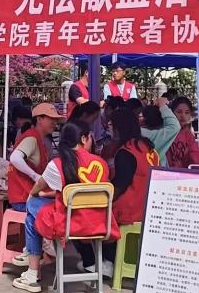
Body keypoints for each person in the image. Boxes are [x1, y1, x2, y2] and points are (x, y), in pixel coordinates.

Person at [12, 122, 114, 293]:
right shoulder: (101, 163)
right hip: (98, 224)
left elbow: (39, 186)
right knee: (36, 211)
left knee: (32, 208)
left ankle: (32, 270)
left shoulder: (58, 164)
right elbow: (79, 191)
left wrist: (34, 194)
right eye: (91, 137)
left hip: (69, 224)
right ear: (83, 139)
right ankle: (33, 260)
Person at [73, 104, 174, 277]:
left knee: (83, 213)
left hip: (131, 207)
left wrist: (99, 198)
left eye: (111, 124)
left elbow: (120, 186)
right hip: (149, 204)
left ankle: (102, 262)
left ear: (120, 127)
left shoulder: (126, 152)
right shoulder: (147, 147)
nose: (109, 127)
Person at [7, 102, 64, 268]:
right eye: (51, 119)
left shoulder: (39, 139)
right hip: (23, 197)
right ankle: (39, 248)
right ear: (39, 119)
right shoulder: (31, 138)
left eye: (56, 120)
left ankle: (37, 252)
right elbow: (15, 158)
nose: (55, 123)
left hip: (28, 194)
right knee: (55, 208)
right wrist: (34, 176)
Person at [166, 96, 199, 168]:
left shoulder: (188, 135)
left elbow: (198, 158)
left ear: (190, 115)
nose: (183, 115)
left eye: (187, 112)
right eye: (179, 112)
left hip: (182, 173)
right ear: (172, 113)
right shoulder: (164, 131)